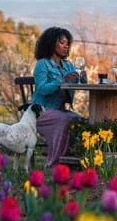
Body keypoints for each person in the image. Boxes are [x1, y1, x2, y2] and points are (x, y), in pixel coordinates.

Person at [32, 27, 81, 167]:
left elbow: (77, 84)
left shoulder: (69, 65)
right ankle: (55, 161)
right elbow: (42, 89)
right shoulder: (42, 64)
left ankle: (72, 159)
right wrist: (61, 81)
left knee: (79, 120)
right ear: (51, 43)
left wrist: (81, 78)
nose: (66, 46)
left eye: (67, 43)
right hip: (40, 111)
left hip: (59, 110)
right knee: (66, 120)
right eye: (62, 42)